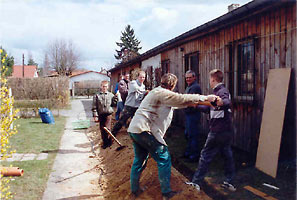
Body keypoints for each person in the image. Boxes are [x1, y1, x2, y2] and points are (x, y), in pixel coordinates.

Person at [127, 73, 217, 199]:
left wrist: (205, 104)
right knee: (164, 158)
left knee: (139, 160)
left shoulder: (157, 92)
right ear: (173, 85)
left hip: (135, 130)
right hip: (144, 130)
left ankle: (135, 190)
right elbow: (181, 98)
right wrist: (207, 97)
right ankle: (166, 193)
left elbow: (179, 103)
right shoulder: (163, 93)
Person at [189, 69, 236, 192]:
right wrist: (196, 105)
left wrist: (221, 102)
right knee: (227, 155)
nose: (209, 81)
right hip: (226, 130)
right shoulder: (217, 92)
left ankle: (196, 183)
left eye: (210, 79)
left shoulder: (221, 91)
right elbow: (209, 108)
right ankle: (228, 181)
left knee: (205, 155)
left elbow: (226, 101)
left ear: (213, 79)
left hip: (218, 131)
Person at [111, 70, 146, 136]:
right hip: (129, 106)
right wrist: (146, 92)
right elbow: (138, 90)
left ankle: (134, 135)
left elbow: (141, 96)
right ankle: (113, 134)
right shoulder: (133, 83)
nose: (142, 79)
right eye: (141, 77)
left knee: (136, 121)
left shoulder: (143, 86)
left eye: (143, 77)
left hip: (137, 107)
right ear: (138, 77)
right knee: (122, 121)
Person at [183, 70, 202, 162]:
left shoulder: (195, 87)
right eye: (186, 78)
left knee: (193, 135)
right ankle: (188, 153)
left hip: (193, 114)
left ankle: (194, 156)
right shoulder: (189, 87)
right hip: (188, 114)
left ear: (194, 77)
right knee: (188, 134)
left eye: (190, 77)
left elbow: (191, 101)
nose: (188, 79)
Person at [92, 80, 117, 149]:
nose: (104, 88)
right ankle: (105, 143)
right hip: (101, 115)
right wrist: (95, 116)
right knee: (102, 130)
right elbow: (94, 107)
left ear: (107, 87)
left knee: (108, 129)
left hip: (108, 114)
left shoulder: (111, 95)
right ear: (101, 86)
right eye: (103, 86)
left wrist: (116, 99)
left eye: (105, 86)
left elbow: (114, 105)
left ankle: (109, 142)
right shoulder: (97, 96)